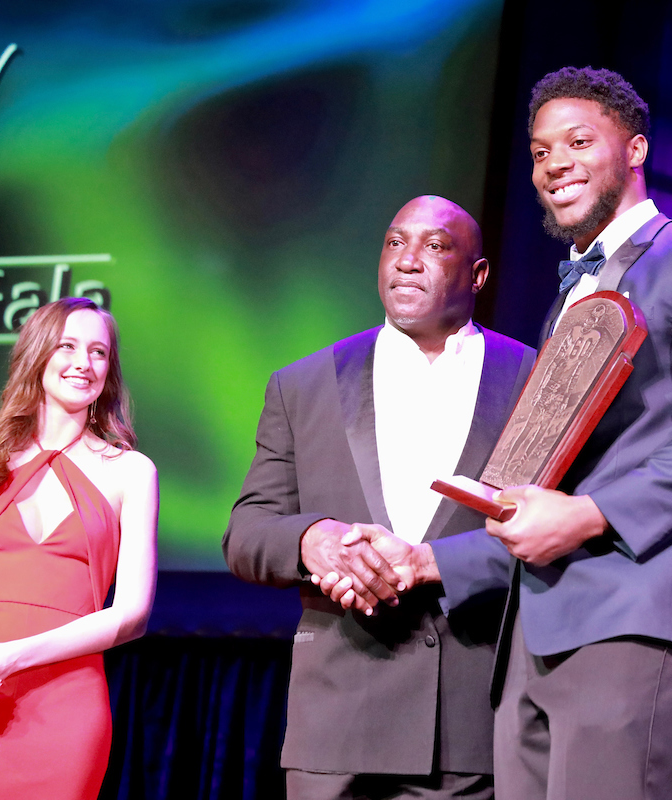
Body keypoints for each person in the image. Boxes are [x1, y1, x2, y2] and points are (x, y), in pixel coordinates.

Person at [339, 67, 672, 800]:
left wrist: (590, 515)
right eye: (541, 151)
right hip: (541, 637)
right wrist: (425, 561)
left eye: (579, 141)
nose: (554, 164)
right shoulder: (570, 297)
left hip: (644, 616)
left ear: (636, 149)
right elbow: (546, 492)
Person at [223, 195, 536, 800]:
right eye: (395, 243)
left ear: (478, 274)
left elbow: (552, 538)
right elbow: (247, 533)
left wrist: (432, 565)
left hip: (469, 730)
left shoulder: (530, 379)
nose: (408, 261)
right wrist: (313, 540)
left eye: (435, 246)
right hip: (336, 728)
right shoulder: (303, 383)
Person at [0, 296, 159, 799]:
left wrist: (7, 660)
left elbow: (132, 613)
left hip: (64, 706)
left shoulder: (131, 472)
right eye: (68, 346)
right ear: (37, 354)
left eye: (98, 352)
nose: (83, 363)